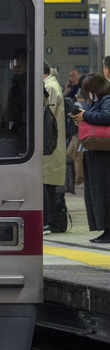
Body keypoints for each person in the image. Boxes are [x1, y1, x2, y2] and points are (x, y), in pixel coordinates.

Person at [70, 73, 110, 243]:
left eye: (88, 90)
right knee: (96, 193)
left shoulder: (107, 99)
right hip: (94, 152)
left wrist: (85, 116)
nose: (87, 94)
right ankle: (105, 229)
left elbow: (107, 117)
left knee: (104, 192)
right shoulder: (97, 101)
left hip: (102, 154)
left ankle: (108, 230)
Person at [43, 63, 66, 234]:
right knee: (47, 182)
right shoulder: (53, 85)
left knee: (47, 183)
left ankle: (47, 221)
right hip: (52, 143)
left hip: (49, 143)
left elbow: (46, 117)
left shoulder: (49, 87)